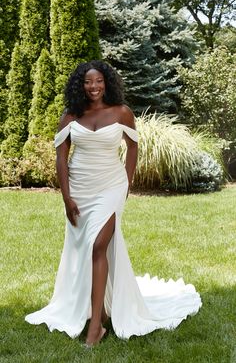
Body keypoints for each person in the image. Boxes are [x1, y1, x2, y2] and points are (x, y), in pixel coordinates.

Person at [25, 60, 202, 347]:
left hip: (111, 186)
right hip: (80, 188)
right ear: (80, 85)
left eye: (98, 81)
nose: (93, 87)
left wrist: (127, 183)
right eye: (87, 82)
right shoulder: (71, 116)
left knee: (98, 246)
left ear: (106, 82)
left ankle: (96, 326)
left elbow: (133, 146)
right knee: (85, 249)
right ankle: (102, 308)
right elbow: (61, 157)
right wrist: (66, 197)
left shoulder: (122, 113)